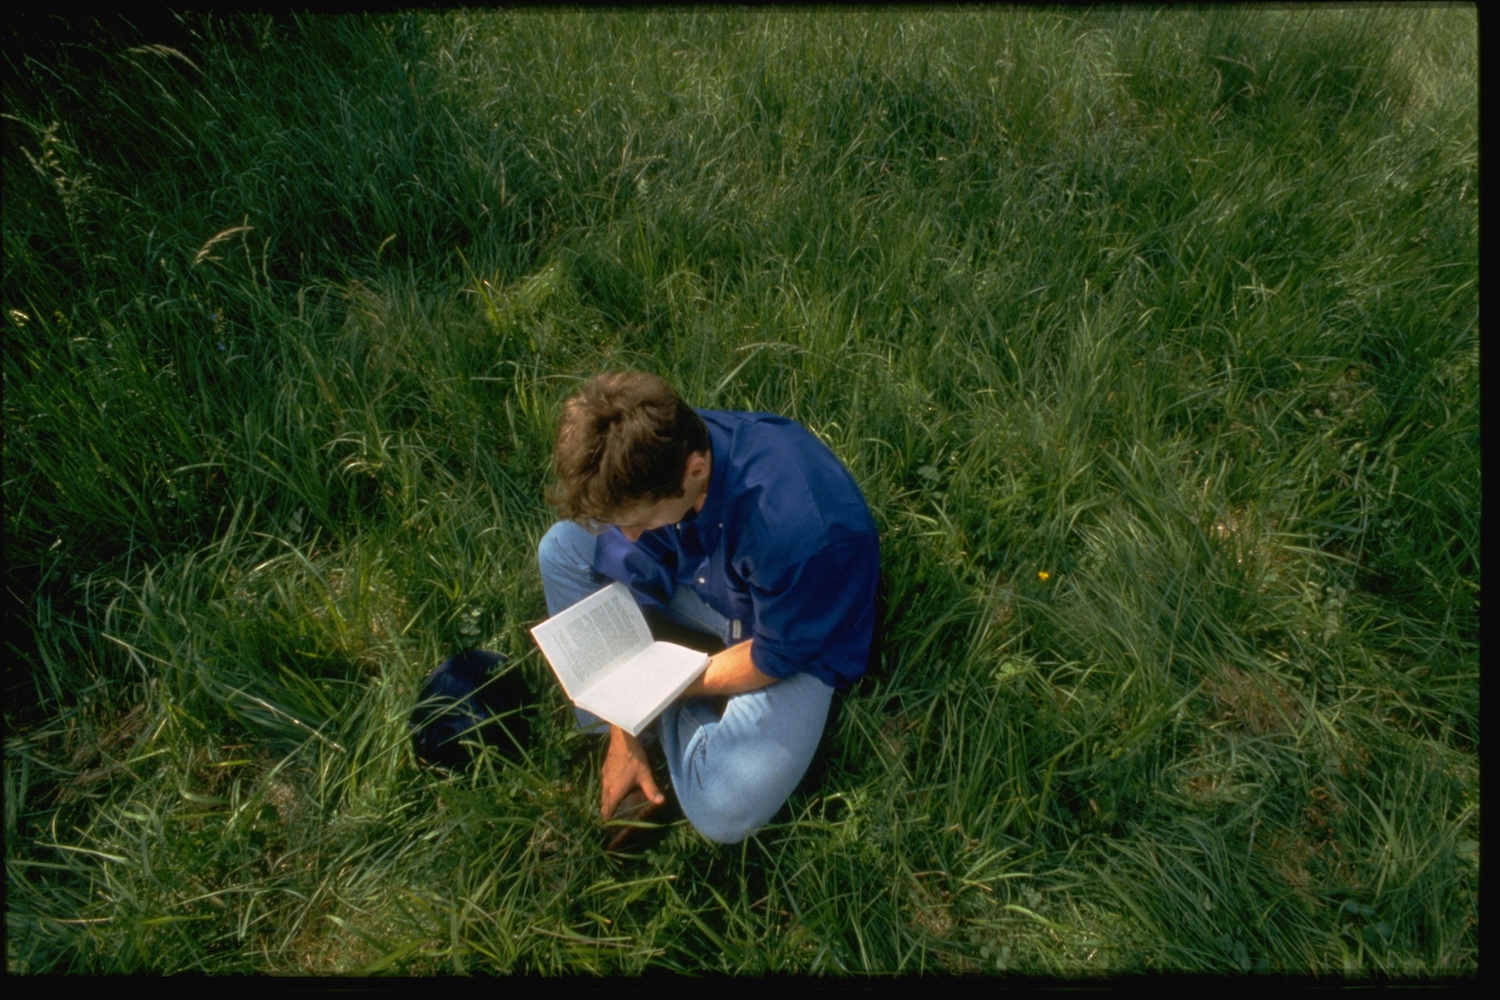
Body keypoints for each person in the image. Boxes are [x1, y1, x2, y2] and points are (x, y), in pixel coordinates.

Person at [537, 371, 879, 845]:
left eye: (637, 521)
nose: (629, 534)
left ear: (695, 471)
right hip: (714, 583)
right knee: (562, 549)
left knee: (720, 807)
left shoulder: (795, 530)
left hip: (794, 636)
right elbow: (633, 547)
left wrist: (656, 690)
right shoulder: (665, 458)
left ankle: (659, 695)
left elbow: (773, 656)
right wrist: (623, 729)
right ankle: (624, 735)